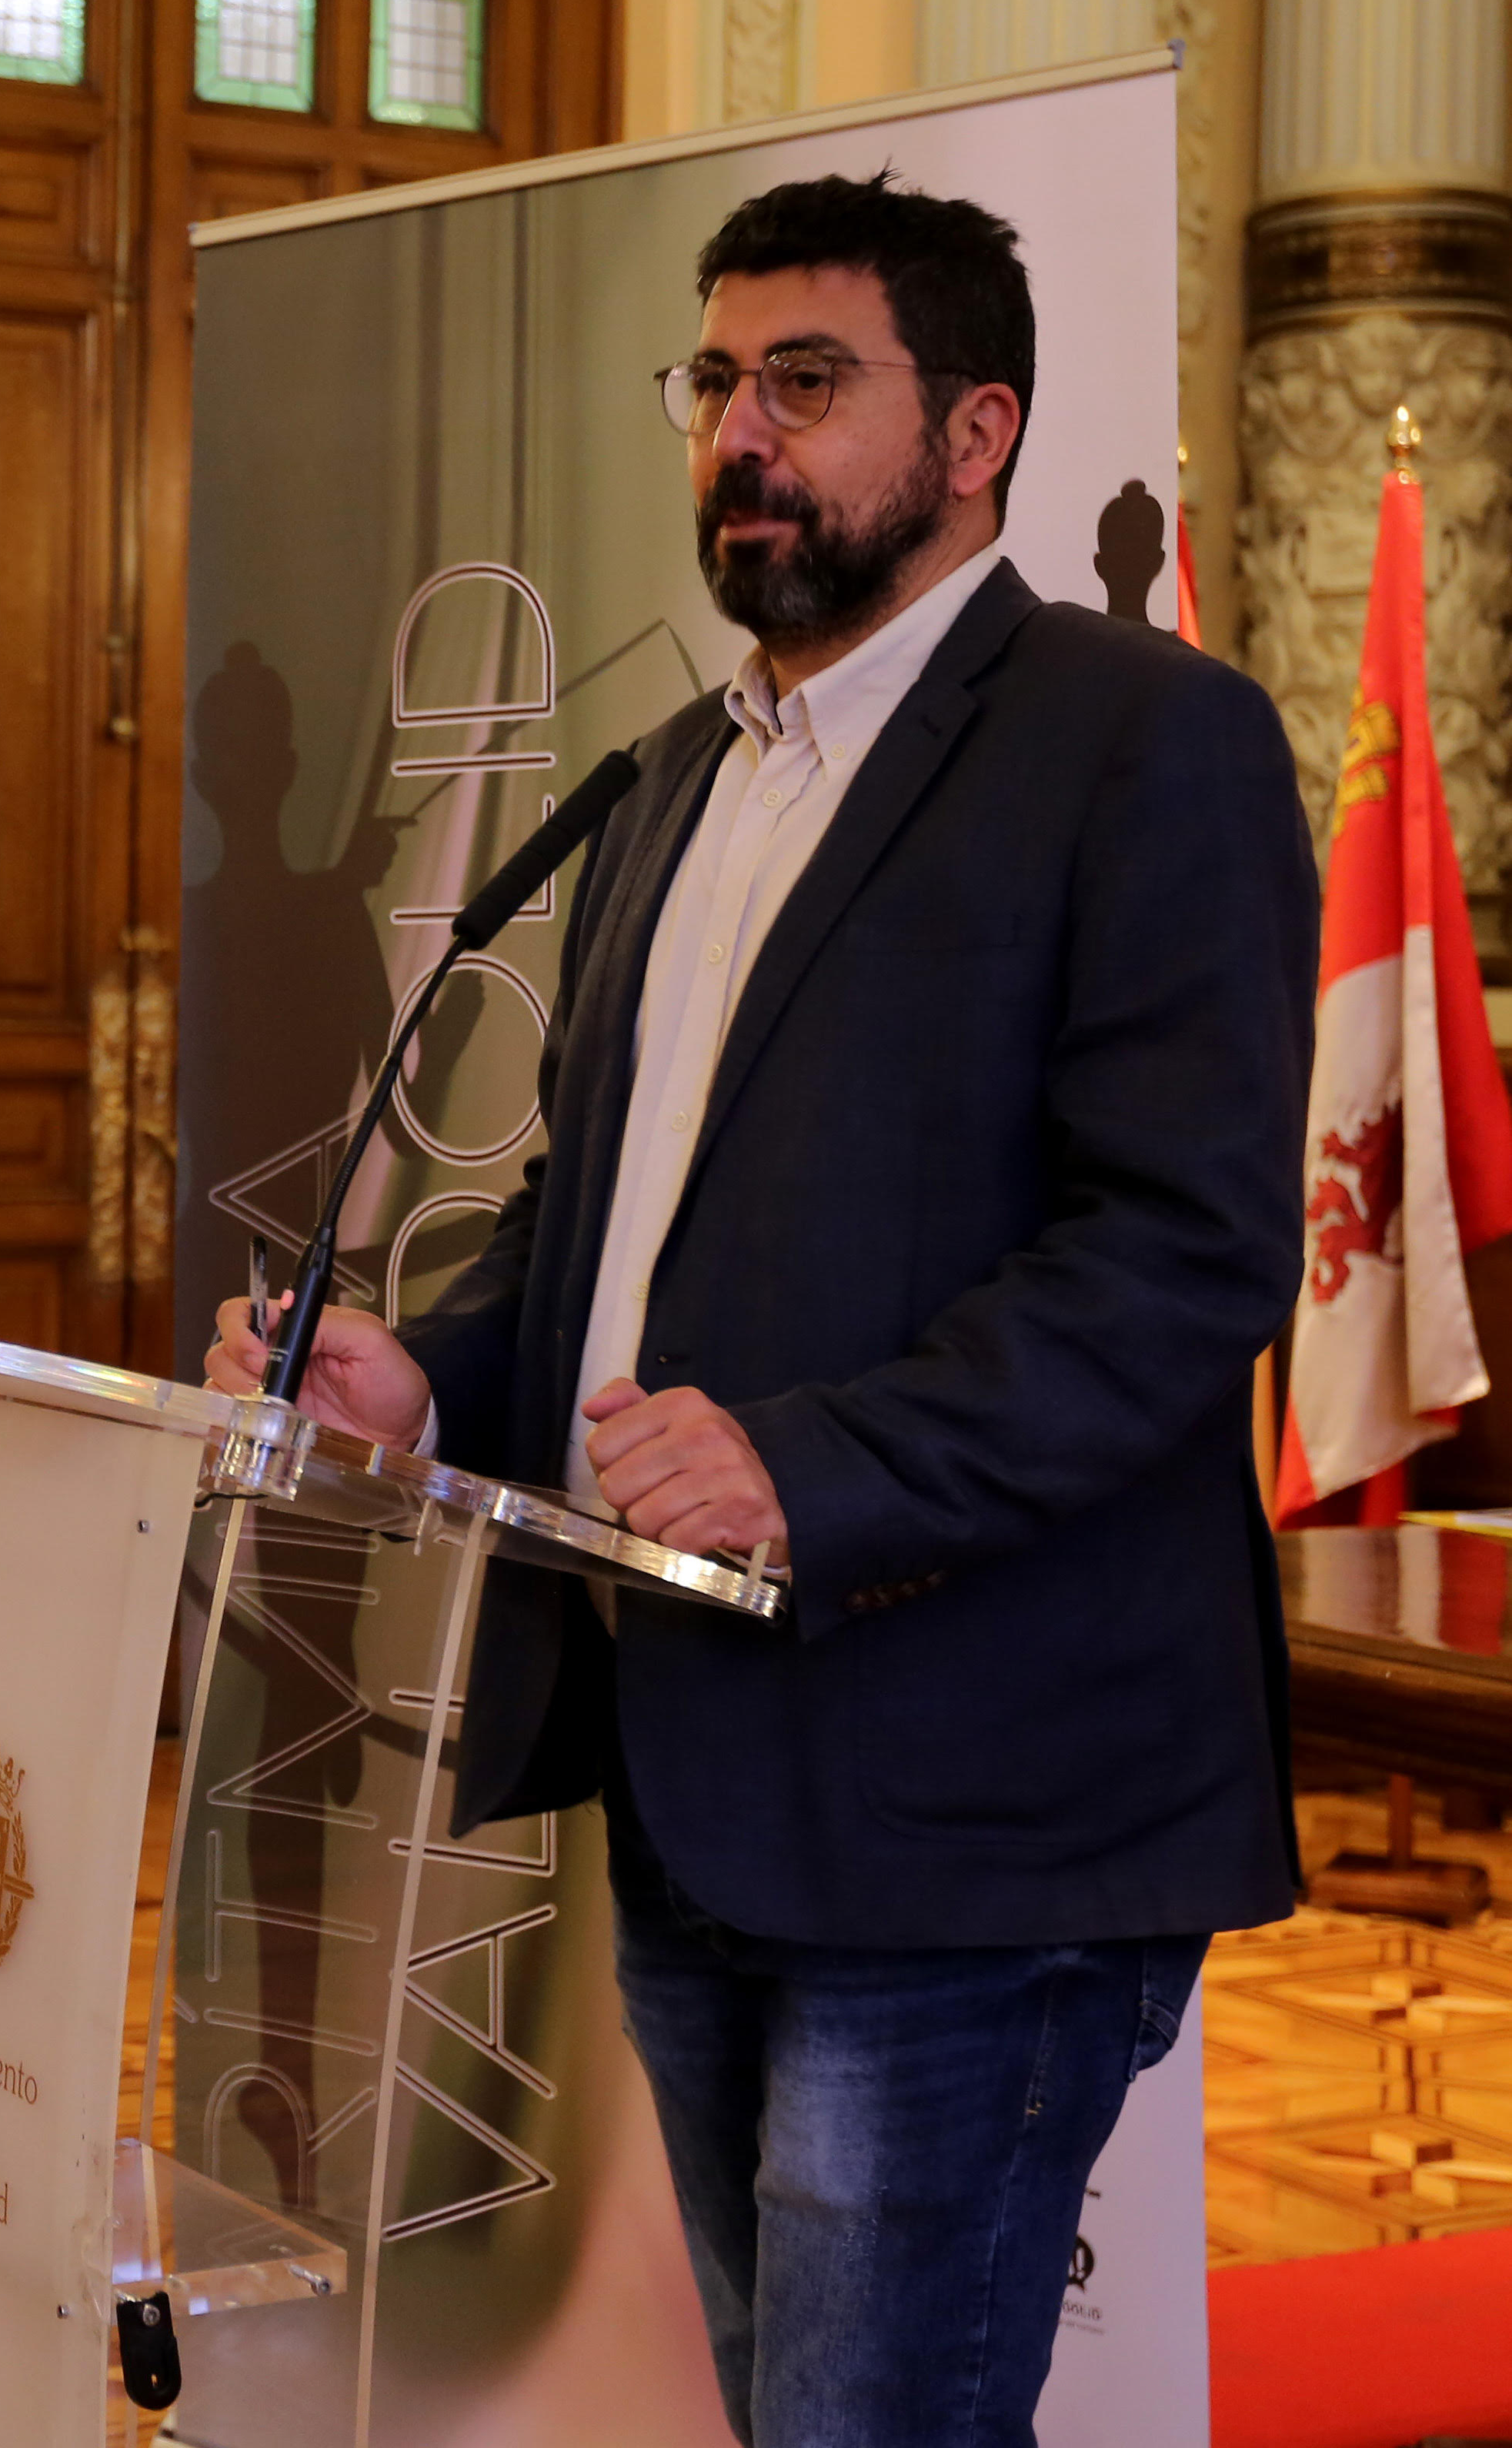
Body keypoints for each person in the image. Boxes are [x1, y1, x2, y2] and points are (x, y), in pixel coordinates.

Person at [205, 174, 1316, 2446]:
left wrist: (807, 1467)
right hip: (703, 1771)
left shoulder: (1142, 742)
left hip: (981, 1799)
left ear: (976, 431)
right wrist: (430, 1371)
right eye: (712, 380)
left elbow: (1184, 1249)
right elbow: (607, 1225)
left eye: (805, 383)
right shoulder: (674, 782)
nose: (737, 432)